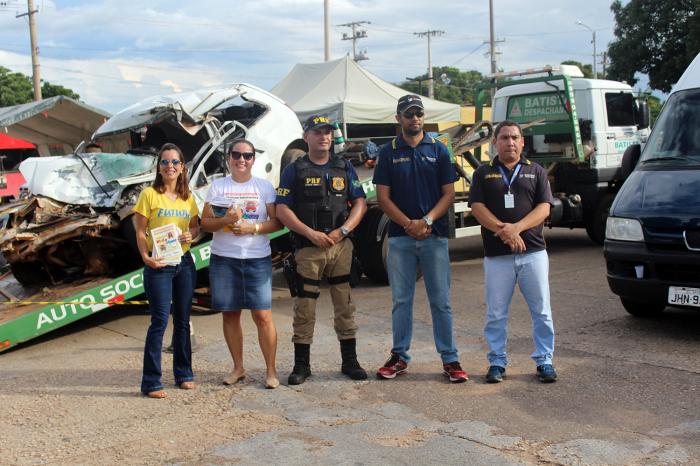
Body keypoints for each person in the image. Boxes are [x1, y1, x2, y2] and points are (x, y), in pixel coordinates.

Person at [372, 95, 468, 384]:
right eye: (409, 114)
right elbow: (383, 198)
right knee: (401, 301)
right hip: (400, 238)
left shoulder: (438, 149)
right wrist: (408, 224)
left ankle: (450, 359)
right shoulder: (388, 152)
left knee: (441, 301)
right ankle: (399, 356)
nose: (415, 118)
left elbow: (448, 194)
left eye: (419, 113)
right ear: (398, 118)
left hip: (433, 236)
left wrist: (426, 221)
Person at [276, 114, 368, 385]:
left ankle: (350, 361)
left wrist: (344, 231)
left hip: (340, 246)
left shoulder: (344, 166)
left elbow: (360, 203)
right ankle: (302, 365)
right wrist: (310, 233)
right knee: (304, 307)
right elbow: (282, 209)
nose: (323, 137)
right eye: (317, 132)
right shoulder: (295, 170)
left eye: (327, 132)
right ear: (306, 137)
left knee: (345, 304)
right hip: (309, 247)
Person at [468, 120, 557, 384]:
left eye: (514, 137)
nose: (510, 142)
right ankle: (497, 362)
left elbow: (544, 208)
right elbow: (477, 208)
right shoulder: (483, 172)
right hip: (497, 256)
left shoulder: (536, 171)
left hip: (533, 254)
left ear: (522, 142)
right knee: (496, 314)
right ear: (495, 142)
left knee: (542, 311)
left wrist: (516, 228)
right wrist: (505, 231)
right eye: (504, 138)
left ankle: (544, 361)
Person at [201, 139, 281, 389]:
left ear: (253, 159)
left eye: (247, 155)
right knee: (230, 314)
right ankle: (238, 368)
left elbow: (277, 222)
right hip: (224, 259)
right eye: (236, 155)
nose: (241, 160)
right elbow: (205, 224)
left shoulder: (264, 187)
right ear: (228, 158)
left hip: (257, 258)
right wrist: (226, 220)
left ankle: (271, 371)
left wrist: (252, 228)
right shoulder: (218, 187)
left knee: (263, 316)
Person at [133, 142, 199, 398]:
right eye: (165, 162)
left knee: (182, 321)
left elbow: (195, 228)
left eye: (174, 162)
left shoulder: (188, 197)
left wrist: (190, 235)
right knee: (159, 321)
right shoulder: (149, 195)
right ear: (159, 167)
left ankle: (184, 374)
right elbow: (140, 231)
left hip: (184, 263)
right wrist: (145, 257)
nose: (170, 166)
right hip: (159, 265)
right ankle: (151, 382)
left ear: (182, 167)